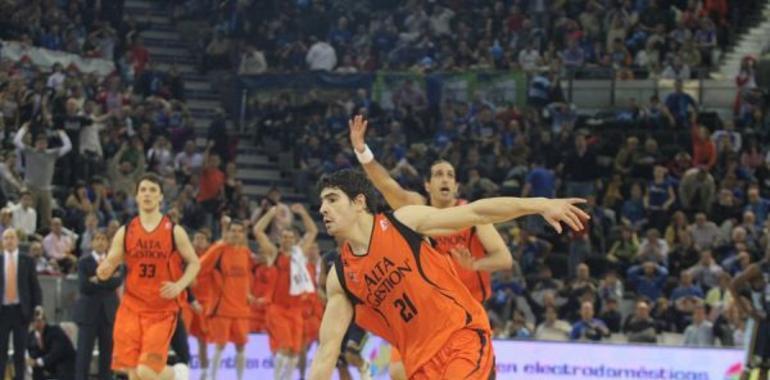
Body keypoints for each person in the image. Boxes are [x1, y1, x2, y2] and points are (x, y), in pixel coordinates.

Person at [309, 169, 588, 379]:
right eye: (322, 202)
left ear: (359, 202)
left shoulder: (402, 222)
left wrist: (539, 204)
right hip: (419, 365)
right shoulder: (341, 278)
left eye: (332, 199)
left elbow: (476, 212)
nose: (323, 209)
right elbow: (326, 353)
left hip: (461, 337)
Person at [349, 113, 513, 378]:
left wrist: (475, 264)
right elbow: (387, 185)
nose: (445, 179)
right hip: (424, 316)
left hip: (465, 317)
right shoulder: (416, 210)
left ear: (457, 186)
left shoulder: (471, 216)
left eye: (450, 175)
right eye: (438, 174)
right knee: (398, 372)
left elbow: (504, 259)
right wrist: (362, 151)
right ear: (428, 185)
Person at [96, 173, 200, 380]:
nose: (147, 194)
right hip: (132, 307)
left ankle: (181, 374)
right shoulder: (126, 231)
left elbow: (194, 263)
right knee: (133, 373)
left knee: (147, 371)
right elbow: (111, 261)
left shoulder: (174, 231)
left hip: (161, 310)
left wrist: (180, 286)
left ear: (161, 197)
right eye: (143, 190)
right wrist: (104, 270)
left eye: (153, 190)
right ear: (136, 196)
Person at [254, 203, 318, 380]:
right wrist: (270, 213)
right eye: (284, 237)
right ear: (280, 239)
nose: (287, 239)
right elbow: (258, 231)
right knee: (284, 347)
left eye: (290, 237)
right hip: (277, 309)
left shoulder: (300, 253)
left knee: (294, 352)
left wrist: (304, 212)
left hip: (296, 310)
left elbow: (312, 232)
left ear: (295, 240)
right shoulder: (274, 254)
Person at [198, 220, 255, 380]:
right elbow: (200, 267)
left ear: (243, 234)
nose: (236, 234)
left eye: (239, 231)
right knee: (220, 346)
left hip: (241, 308)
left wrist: (248, 293)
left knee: (241, 346)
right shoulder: (219, 249)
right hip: (221, 308)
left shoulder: (246, 252)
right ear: (227, 232)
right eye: (233, 231)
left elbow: (247, 276)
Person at [74, 230, 124, 380]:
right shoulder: (84, 262)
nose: (101, 241)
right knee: (83, 356)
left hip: (108, 315)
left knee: (107, 357)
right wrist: (107, 279)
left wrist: (97, 279)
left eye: (104, 239)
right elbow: (84, 286)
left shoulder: (115, 262)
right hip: (88, 315)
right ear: (92, 243)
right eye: (97, 238)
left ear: (108, 243)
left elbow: (117, 282)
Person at [0, 228, 43, 380]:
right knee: (1, 351)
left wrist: (38, 306)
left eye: (12, 237)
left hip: (21, 312)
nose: (9, 241)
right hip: (2, 312)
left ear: (17, 240)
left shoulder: (27, 260)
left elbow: (34, 286)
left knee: (20, 351)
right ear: (2, 242)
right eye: (6, 238)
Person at [729, 253, 770, 380]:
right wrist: (746, 311)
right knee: (748, 367)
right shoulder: (756, 269)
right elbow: (733, 285)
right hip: (759, 324)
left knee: (765, 367)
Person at [27, 307, 76, 380]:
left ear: (44, 320)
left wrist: (37, 362)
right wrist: (30, 361)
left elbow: (56, 353)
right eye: (34, 320)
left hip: (64, 368)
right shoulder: (31, 336)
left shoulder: (55, 331)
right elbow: (32, 353)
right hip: (48, 369)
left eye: (39, 320)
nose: (37, 322)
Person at [189, 229, 213, 379]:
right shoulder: (186, 256)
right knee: (180, 334)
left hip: (204, 302)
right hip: (187, 301)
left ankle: (204, 373)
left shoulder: (211, 256)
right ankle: (180, 369)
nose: (199, 240)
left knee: (202, 340)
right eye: (196, 238)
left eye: (202, 238)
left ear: (208, 242)